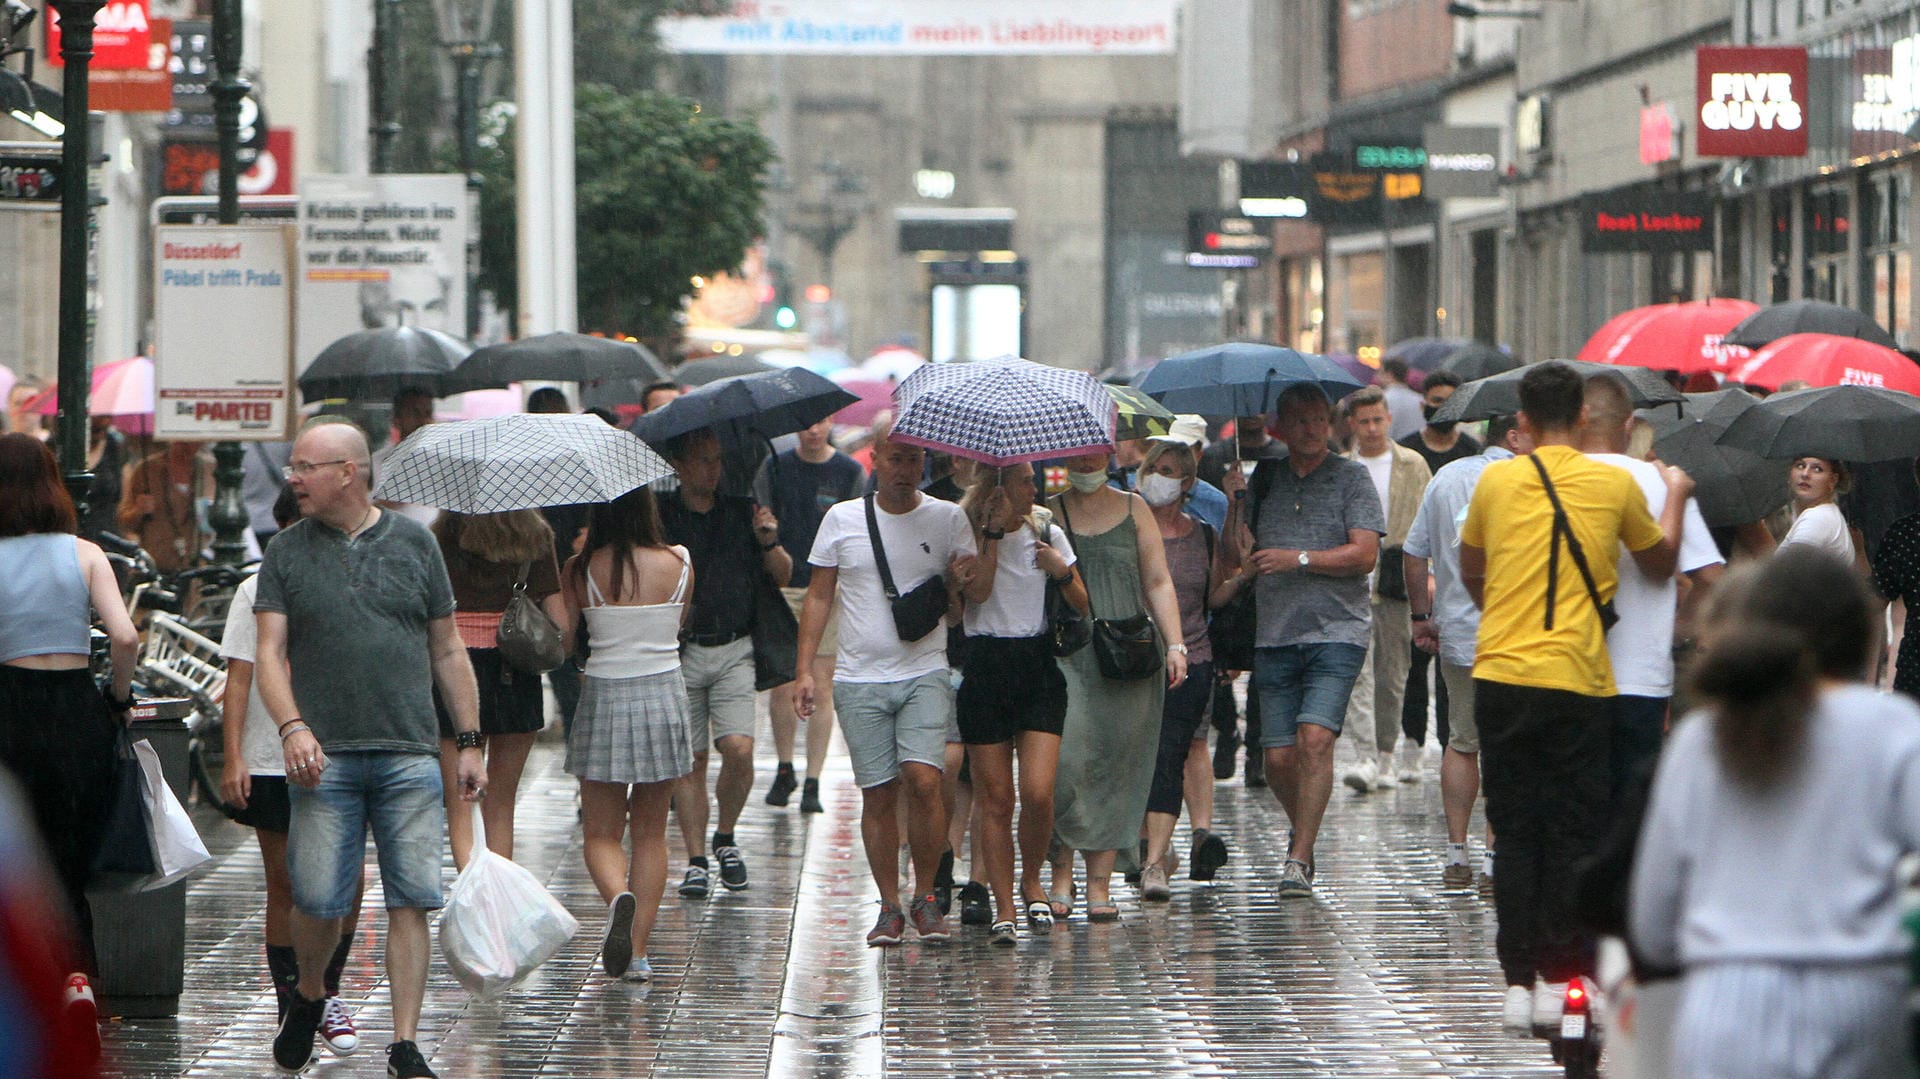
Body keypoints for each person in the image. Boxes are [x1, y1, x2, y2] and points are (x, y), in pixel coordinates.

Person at [1457, 361, 1689, 1037]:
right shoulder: (1612, 480)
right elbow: (1659, 560)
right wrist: (1674, 490)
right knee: (1572, 829)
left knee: (1515, 826)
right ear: (1585, 417)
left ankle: (1516, 982)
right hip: (1578, 678)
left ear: (1520, 423)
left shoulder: (1496, 479)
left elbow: (1472, 569)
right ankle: (1564, 976)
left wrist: (1505, 612)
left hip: (1501, 673)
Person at [1631, 547, 1920, 1078]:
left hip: (1726, 1002)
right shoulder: (1895, 729)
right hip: (1863, 999)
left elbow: (1652, 922)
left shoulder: (1703, 740)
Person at [253, 420, 485, 1079]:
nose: (292, 477)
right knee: (319, 899)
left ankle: (405, 1042)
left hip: (409, 749)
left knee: (412, 896)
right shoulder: (287, 551)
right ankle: (309, 993)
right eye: (292, 465)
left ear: (347, 472)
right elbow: (269, 651)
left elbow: (447, 647)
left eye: (306, 466)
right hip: (324, 755)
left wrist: (468, 740)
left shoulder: (415, 543)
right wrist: (293, 725)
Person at [795, 433, 981, 946]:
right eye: (895, 459)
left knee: (925, 778)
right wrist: (806, 668)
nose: (905, 469)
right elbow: (818, 596)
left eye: (914, 459)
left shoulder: (948, 518)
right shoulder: (843, 519)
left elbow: (970, 603)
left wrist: (962, 581)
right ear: (875, 461)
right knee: (878, 792)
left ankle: (925, 894)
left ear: (926, 462)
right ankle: (890, 904)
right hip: (859, 676)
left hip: (925, 669)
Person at [0, 433, 139, 1063]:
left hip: (8, 708)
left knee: (18, 859)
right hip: (77, 712)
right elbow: (127, 634)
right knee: (70, 857)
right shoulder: (86, 553)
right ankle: (77, 979)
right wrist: (116, 694)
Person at [219, 485, 363, 1053]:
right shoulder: (254, 589)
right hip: (268, 756)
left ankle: (321, 993)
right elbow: (238, 677)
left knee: (346, 883)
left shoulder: (353, 583)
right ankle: (294, 1007)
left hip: (344, 754)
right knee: (286, 883)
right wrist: (233, 756)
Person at [1240, 384, 1384, 899]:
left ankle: (1298, 857)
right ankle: (1305, 831)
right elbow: (1243, 555)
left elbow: (1364, 554)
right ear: (1279, 426)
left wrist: (1298, 558)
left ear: (1332, 423)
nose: (1310, 428)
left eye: (1319, 419)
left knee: (1315, 740)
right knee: (1277, 759)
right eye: (1298, 420)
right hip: (1275, 630)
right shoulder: (1266, 479)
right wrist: (1238, 500)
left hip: (1337, 629)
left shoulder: (1352, 478)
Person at [560, 485, 695, 983]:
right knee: (652, 832)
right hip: (665, 696)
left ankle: (619, 898)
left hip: (605, 695)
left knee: (599, 832)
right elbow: (677, 627)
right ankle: (637, 952)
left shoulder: (581, 568)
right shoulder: (680, 562)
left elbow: (566, 639)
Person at [1047, 448, 1187, 922]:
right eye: (1078, 457)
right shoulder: (1050, 511)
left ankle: (1100, 883)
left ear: (1107, 454)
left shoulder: (1135, 508)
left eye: (1094, 456)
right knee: (1065, 764)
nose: (1086, 465)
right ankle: (1060, 871)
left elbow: (1159, 580)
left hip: (1127, 655)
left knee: (1115, 764)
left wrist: (1176, 645)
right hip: (1068, 651)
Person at [657, 428, 791, 898]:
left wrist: (768, 540)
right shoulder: (662, 516)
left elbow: (783, 575)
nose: (712, 470)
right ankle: (696, 859)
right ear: (678, 465)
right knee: (689, 762)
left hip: (735, 646)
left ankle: (726, 837)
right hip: (680, 651)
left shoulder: (741, 512)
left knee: (738, 748)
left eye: (716, 460)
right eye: (701, 461)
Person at [953, 464, 1083, 942]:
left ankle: (1033, 879)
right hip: (986, 667)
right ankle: (1005, 902)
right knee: (995, 799)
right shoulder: (966, 531)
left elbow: (1083, 602)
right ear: (1001, 485)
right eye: (1027, 480)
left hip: (1037, 667)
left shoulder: (1047, 530)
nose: (1037, 486)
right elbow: (979, 592)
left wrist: (1061, 571)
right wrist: (989, 532)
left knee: (1038, 791)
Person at [1579, 374, 1724, 803]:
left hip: (1564, 674)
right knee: (1630, 813)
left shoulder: (1549, 480)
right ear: (1628, 427)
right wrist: (1679, 626)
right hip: (1640, 676)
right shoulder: (1662, 483)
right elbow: (1712, 577)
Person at [1404, 415, 1526, 889]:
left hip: (1459, 632)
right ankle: (1495, 858)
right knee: (1506, 746)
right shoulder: (1530, 479)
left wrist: (1421, 616)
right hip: (1519, 634)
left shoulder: (1448, 477)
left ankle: (1457, 852)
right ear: (1513, 436)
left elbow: (1414, 552)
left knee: (1462, 738)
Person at [1134, 439, 1241, 901]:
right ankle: (1151, 850)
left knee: (1181, 748)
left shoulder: (1202, 533)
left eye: (1169, 469)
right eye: (1152, 467)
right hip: (1138, 661)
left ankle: (1165, 854)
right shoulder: (1131, 530)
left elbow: (1213, 595)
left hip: (1192, 658)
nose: (1159, 476)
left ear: (1187, 482)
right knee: (1145, 755)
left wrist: (1244, 579)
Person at [430, 510, 567, 868]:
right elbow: (561, 623)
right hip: (515, 671)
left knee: (461, 804)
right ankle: (498, 904)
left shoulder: (438, 538)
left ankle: (475, 895)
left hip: (451, 671)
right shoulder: (536, 537)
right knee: (502, 806)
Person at [753, 416, 865, 815]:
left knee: (822, 683)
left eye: (818, 423)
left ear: (832, 422)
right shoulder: (775, 466)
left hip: (829, 587)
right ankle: (785, 766)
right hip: (783, 582)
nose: (812, 431)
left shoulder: (849, 472)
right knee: (782, 683)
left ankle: (814, 778)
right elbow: (761, 515)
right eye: (803, 424)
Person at [1336, 386, 1433, 793]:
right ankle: (1364, 755)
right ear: (1351, 425)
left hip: (1396, 580)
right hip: (1352, 583)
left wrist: (1427, 576)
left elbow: (1428, 523)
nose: (1372, 428)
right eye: (1364, 421)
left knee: (1393, 674)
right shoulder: (1341, 468)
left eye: (1378, 420)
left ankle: (1387, 753)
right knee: (1358, 672)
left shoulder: (1413, 465)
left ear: (1389, 419)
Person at [1396, 371, 1478, 759]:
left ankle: (1448, 740)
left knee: (1451, 680)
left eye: (1448, 401)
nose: (1439, 408)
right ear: (1422, 403)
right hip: (1420, 568)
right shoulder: (1408, 451)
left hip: (1456, 572)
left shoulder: (1472, 454)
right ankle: (1412, 737)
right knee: (1414, 667)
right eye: (1434, 400)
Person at [117, 440, 214, 572]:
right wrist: (139, 510)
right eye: (180, 441)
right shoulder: (147, 469)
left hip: (199, 567)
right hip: (157, 566)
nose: (185, 446)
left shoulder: (211, 469)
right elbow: (124, 522)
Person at [371, 385, 440, 529]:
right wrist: (389, 501)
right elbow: (362, 513)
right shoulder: (376, 463)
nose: (423, 420)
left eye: (428, 413)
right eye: (415, 413)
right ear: (396, 419)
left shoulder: (443, 462)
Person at [1777, 456, 1859, 567]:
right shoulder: (1825, 514)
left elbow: (1791, 573)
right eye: (1800, 466)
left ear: (1833, 480)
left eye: (1817, 469)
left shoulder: (1818, 517)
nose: (1805, 474)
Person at [1398, 370, 1481, 475]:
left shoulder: (1474, 451)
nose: (1444, 408)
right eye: (1437, 401)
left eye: (1451, 402)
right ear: (1423, 406)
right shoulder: (1404, 451)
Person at [80, 418, 126, 542]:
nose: (104, 421)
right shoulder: (57, 446)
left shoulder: (113, 445)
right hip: (73, 533)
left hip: (106, 534)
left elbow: (121, 497)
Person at [1379, 357, 1425, 442]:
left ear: (1389, 374)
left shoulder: (1382, 400)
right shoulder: (1421, 400)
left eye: (1380, 373)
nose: (1377, 377)